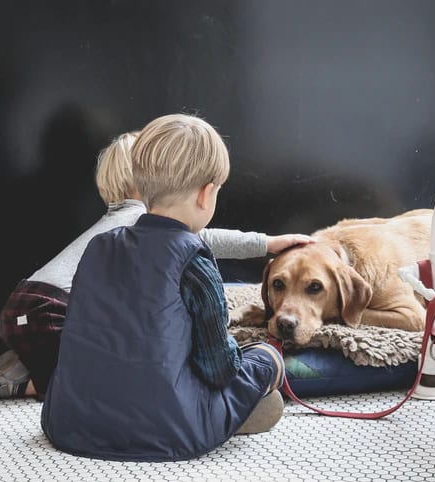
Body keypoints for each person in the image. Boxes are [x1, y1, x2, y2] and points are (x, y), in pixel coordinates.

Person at [0, 130, 311, 401]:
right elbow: (207, 238)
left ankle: (11, 348)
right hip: (51, 308)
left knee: (81, 353)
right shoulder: (141, 221)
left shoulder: (118, 221)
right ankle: (11, 383)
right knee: (80, 381)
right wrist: (266, 243)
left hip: (30, 301)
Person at [42, 113, 299, 461]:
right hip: (166, 429)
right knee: (266, 357)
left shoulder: (99, 246)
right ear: (207, 194)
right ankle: (232, 413)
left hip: (71, 420)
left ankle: (222, 412)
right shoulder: (194, 261)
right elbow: (219, 368)